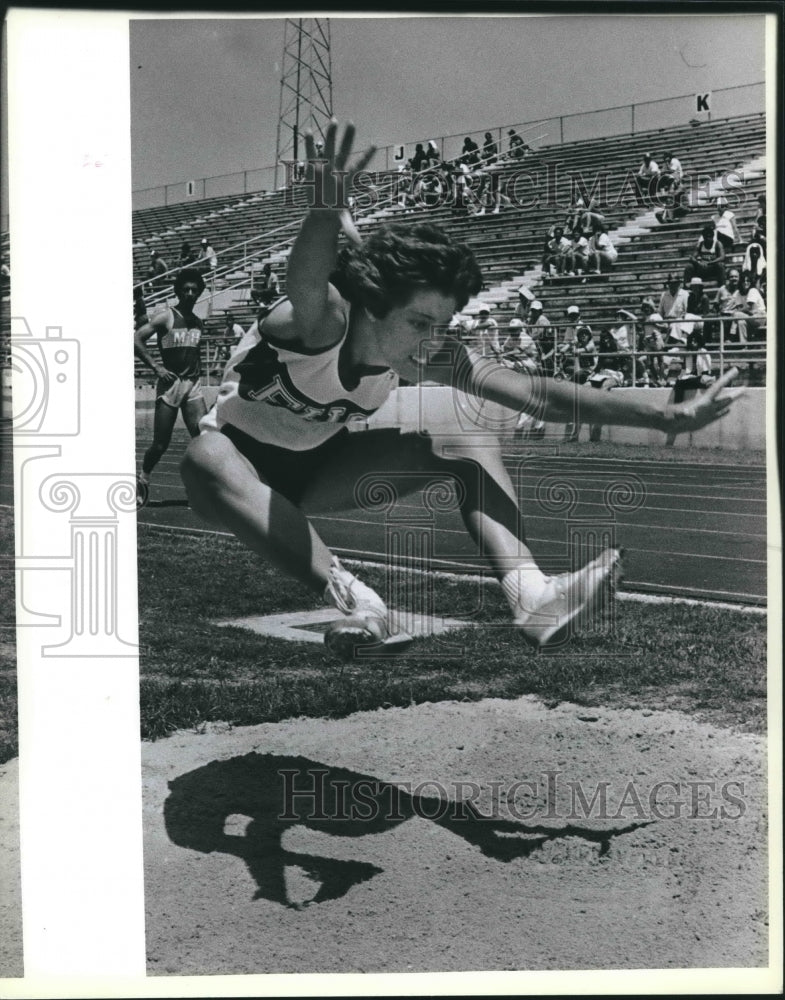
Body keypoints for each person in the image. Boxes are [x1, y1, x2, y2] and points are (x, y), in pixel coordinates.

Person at [179, 119, 742, 657]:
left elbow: (536, 394)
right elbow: (306, 274)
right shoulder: (323, 321)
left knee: (462, 436)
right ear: (375, 307)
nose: (432, 341)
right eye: (421, 324)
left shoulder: (425, 353)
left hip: (314, 470)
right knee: (205, 452)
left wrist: (666, 418)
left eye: (442, 326)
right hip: (232, 473)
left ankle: (532, 596)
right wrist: (326, 209)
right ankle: (359, 601)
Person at [134, 268, 208, 506]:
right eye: (185, 289)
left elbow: (193, 352)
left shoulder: (198, 322)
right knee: (160, 444)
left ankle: (200, 487)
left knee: (204, 439)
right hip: (170, 386)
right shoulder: (167, 316)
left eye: (194, 290)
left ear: (199, 293)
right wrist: (156, 367)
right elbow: (136, 338)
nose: (189, 293)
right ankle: (143, 478)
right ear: (178, 291)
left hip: (192, 385)